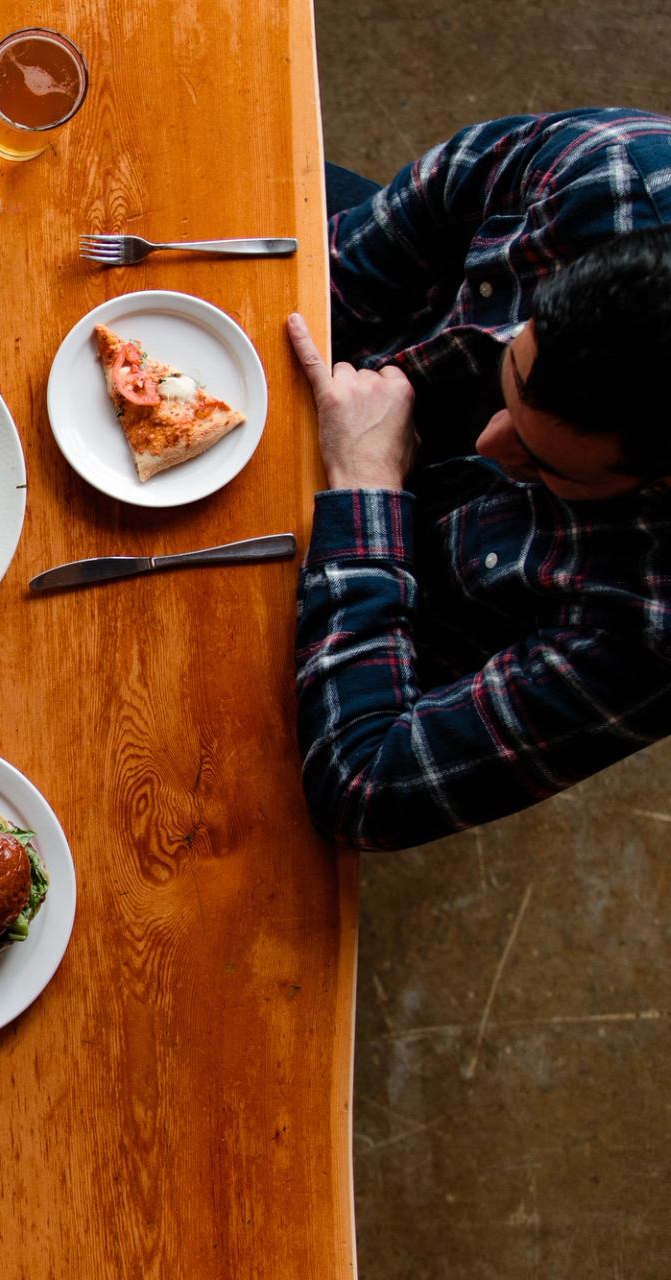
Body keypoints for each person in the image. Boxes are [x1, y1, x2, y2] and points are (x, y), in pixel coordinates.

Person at [285, 108, 671, 851]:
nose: (491, 442)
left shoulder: (651, 627)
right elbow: (448, 192)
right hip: (373, 350)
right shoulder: (621, 172)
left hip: (392, 608)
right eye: (511, 381)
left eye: (545, 463)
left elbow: (365, 791)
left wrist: (366, 493)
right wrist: (300, 337)